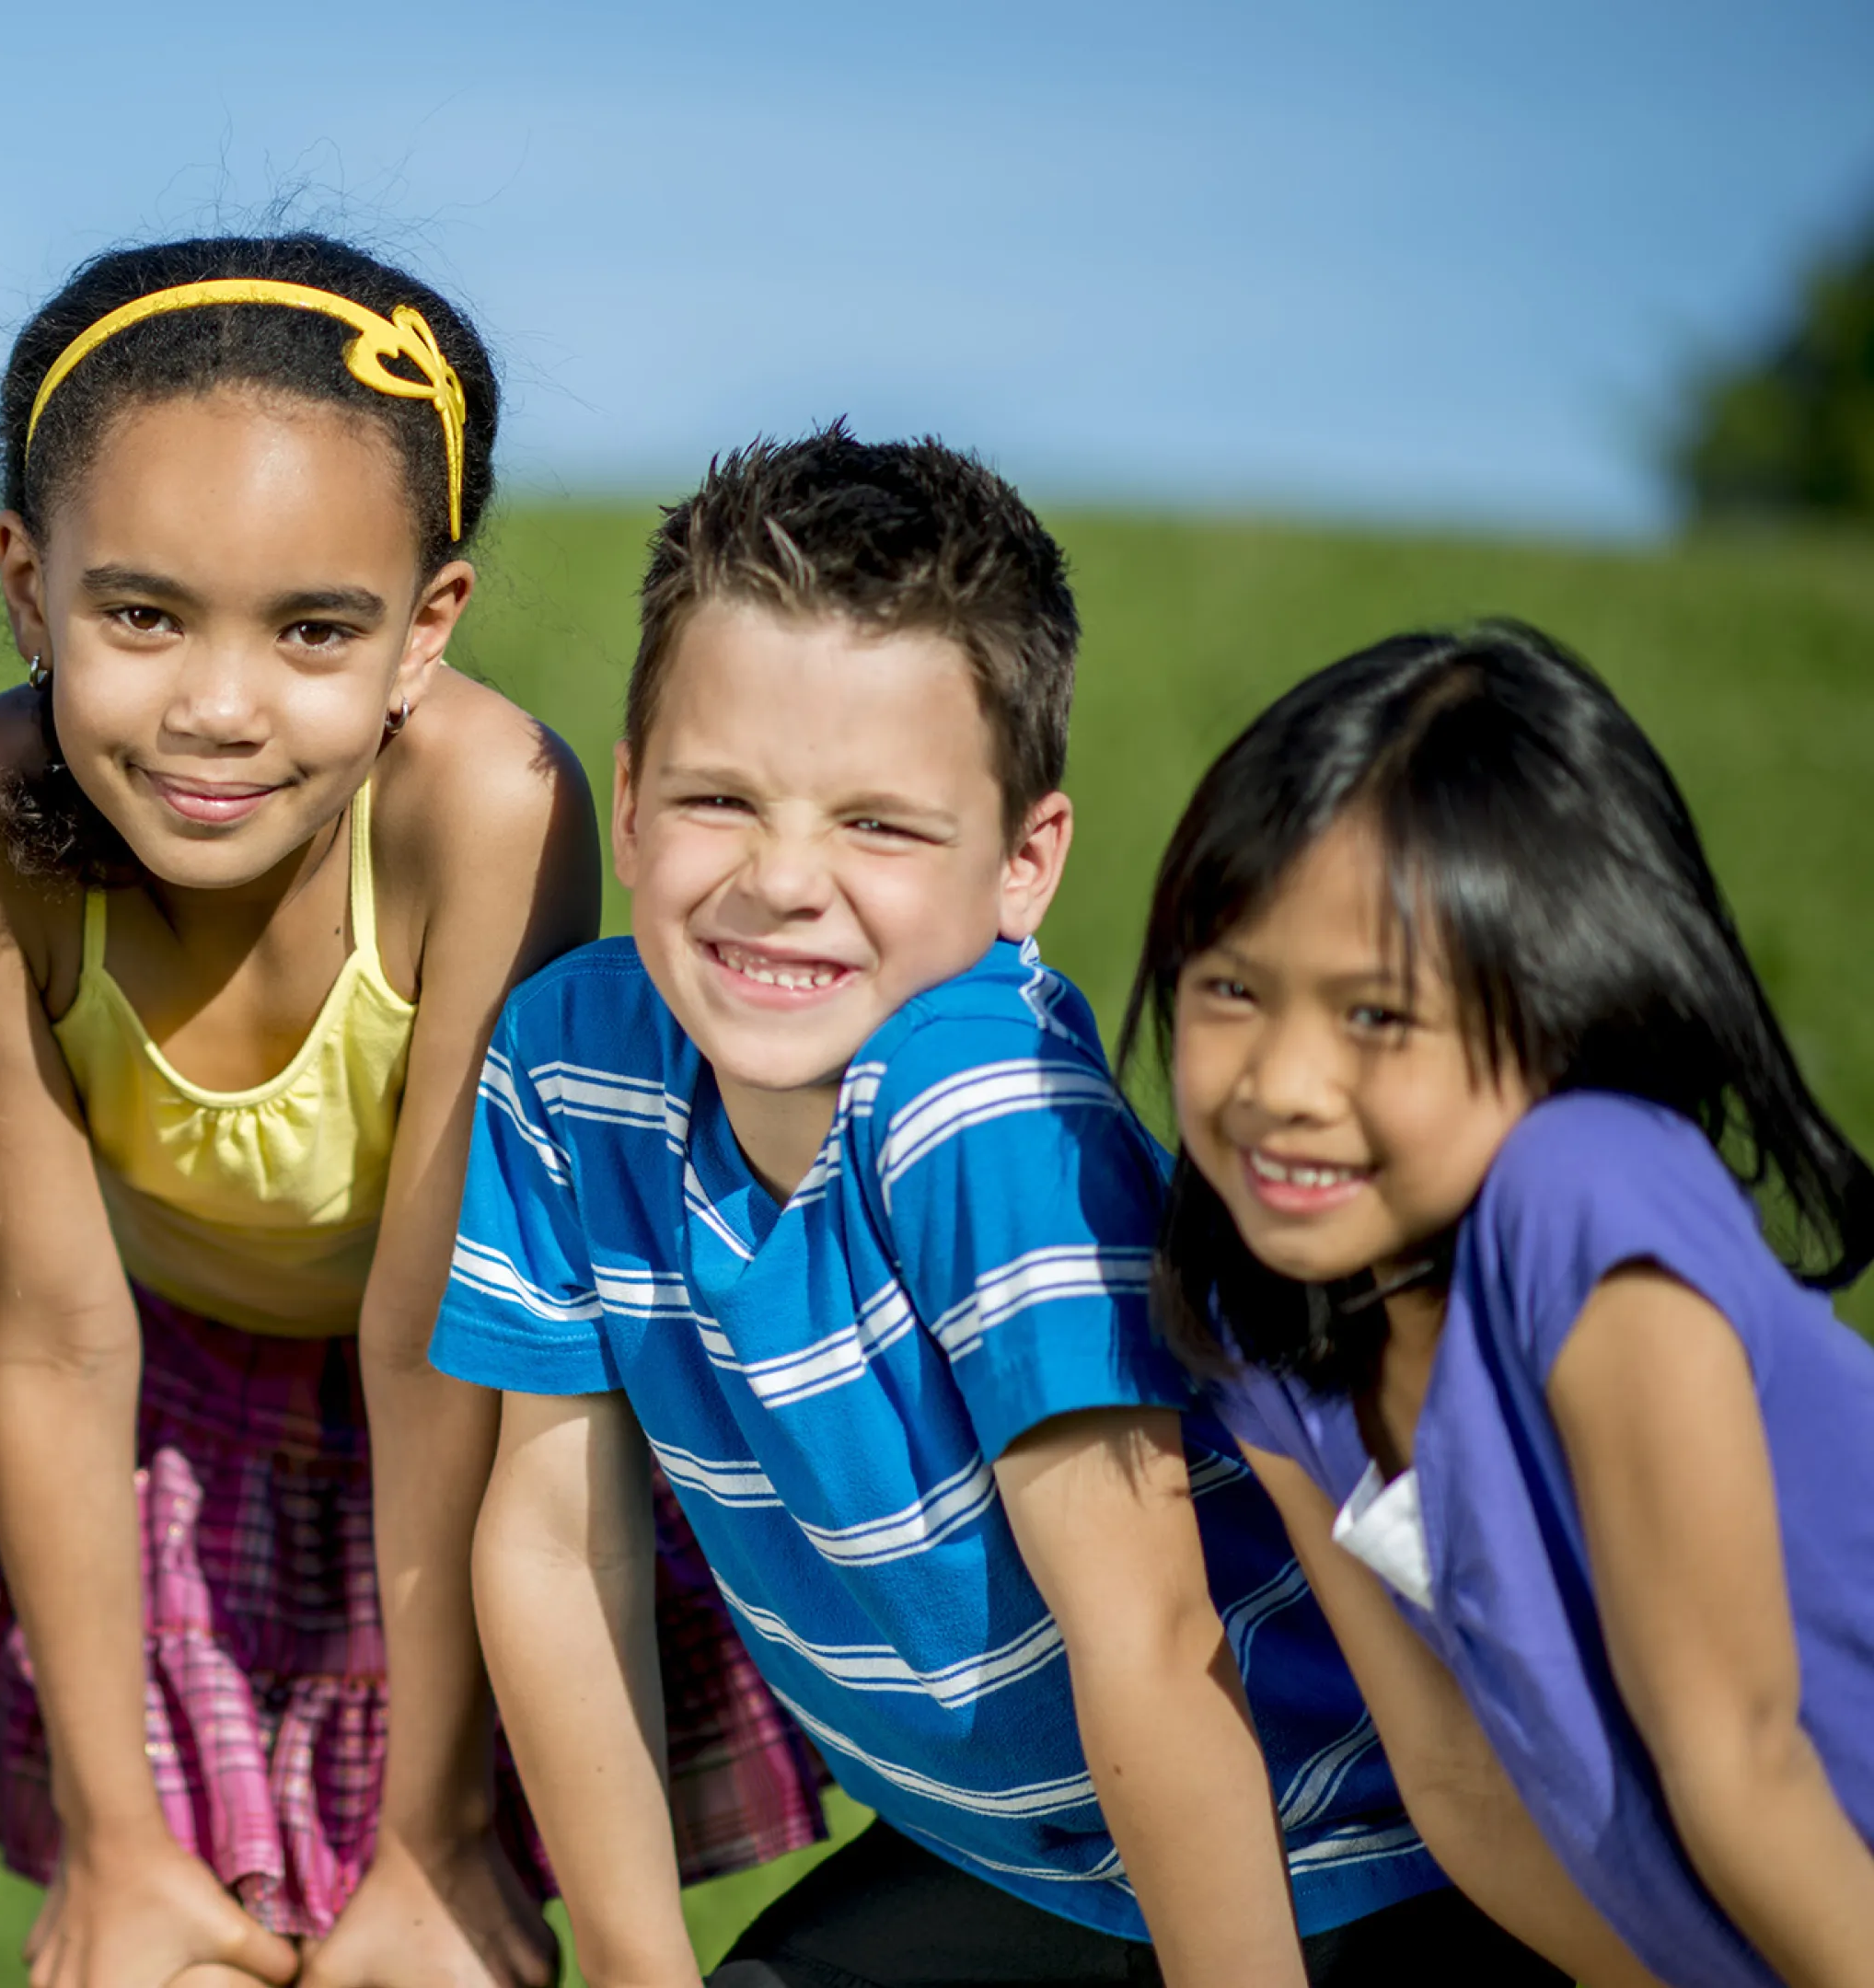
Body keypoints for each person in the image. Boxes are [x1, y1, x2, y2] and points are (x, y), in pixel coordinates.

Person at [444, 429, 1557, 1986]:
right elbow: (557, 1546)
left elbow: (1151, 1642)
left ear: (1025, 862)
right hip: (1006, 1855)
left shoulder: (982, 1105)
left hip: (1313, 1858)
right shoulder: (571, 1063)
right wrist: (639, 1963)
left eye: (879, 824)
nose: (782, 878)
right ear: (628, 803)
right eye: (719, 798)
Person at [0, 233, 825, 1988]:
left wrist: (434, 1835)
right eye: (141, 615)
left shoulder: (491, 807)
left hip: (478, 1434)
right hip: (164, 1451)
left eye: (315, 628)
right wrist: (110, 1841)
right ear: (27, 584)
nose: (219, 709)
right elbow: (57, 1336)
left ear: (426, 627)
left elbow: (430, 1331)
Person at [1128, 622, 1874, 1988]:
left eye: (1376, 1016)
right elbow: (1458, 1779)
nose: (1282, 1083)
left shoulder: (1583, 1196)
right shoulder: (1264, 1312)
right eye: (1231, 987)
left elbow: (1746, 1764)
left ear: (1557, 1010)